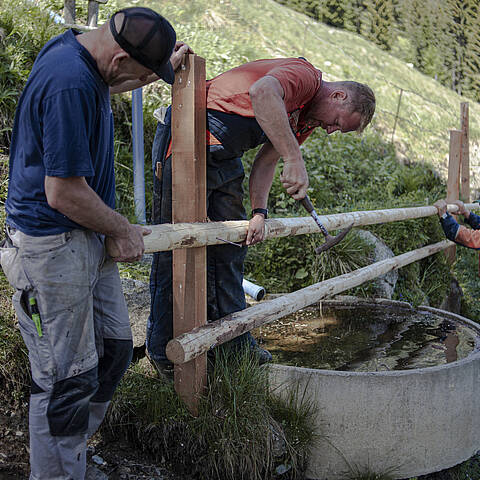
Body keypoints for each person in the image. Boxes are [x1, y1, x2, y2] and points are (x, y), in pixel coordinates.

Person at [0, 7, 190, 480]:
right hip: (50, 247)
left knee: (114, 352)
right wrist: (122, 230)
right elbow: (62, 191)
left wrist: (158, 69)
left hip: (85, 234)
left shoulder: (82, 53)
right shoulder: (69, 83)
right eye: (144, 72)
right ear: (120, 56)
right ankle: (58, 473)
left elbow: (111, 83)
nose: (142, 81)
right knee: (66, 381)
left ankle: (72, 458)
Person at [147, 57, 376, 377]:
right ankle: (162, 351)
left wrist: (259, 212)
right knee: (176, 249)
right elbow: (262, 91)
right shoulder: (305, 77)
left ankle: (232, 341)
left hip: (225, 157)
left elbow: (266, 163)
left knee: (231, 248)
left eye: (337, 130)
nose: (330, 130)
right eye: (337, 123)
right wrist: (293, 157)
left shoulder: (304, 122)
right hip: (189, 135)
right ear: (338, 96)